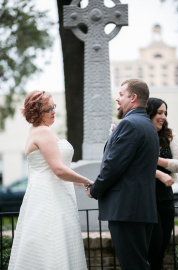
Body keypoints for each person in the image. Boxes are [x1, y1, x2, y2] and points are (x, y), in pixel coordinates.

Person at [8, 90, 93, 270]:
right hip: (50, 198)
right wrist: (87, 180)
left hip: (50, 193)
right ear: (36, 113)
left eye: (53, 107)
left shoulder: (38, 131)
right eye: (48, 110)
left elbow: (54, 172)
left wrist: (80, 183)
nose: (53, 111)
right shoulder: (43, 132)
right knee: (53, 244)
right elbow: (59, 170)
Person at [85, 78, 159, 270]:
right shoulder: (148, 125)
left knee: (134, 266)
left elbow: (112, 166)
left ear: (133, 98)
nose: (117, 99)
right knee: (139, 264)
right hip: (141, 209)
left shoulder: (130, 125)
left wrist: (95, 189)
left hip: (127, 210)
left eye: (120, 94)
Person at [146, 97, 178, 270]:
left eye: (165, 113)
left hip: (166, 200)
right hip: (146, 200)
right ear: (149, 113)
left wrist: (155, 160)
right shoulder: (139, 134)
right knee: (153, 247)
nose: (163, 116)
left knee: (161, 250)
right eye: (159, 112)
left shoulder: (169, 136)